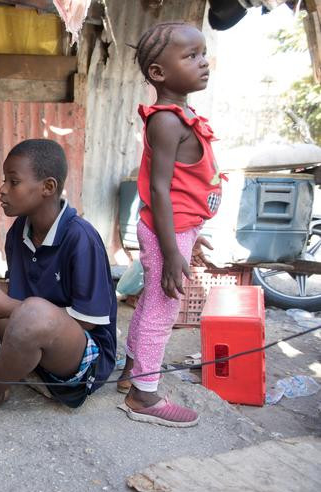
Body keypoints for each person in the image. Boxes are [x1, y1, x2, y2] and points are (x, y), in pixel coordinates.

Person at [0, 139, 117, 422]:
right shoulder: (19, 232)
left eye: (13, 181)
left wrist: (7, 306)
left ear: (48, 187)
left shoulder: (81, 238)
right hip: (33, 327)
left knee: (33, 312)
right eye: (4, 180)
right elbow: (21, 291)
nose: (2, 189)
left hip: (79, 361)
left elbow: (87, 321)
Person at [116, 22, 221, 427]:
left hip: (177, 229)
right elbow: (159, 191)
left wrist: (191, 233)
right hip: (167, 230)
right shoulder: (167, 121)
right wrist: (173, 248)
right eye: (191, 56)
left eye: (203, 52)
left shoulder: (184, 115)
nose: (203, 62)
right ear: (158, 74)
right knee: (163, 309)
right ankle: (145, 395)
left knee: (152, 303)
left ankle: (131, 374)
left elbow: (181, 186)